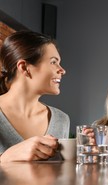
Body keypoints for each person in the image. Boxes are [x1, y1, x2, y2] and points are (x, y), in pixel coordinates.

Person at [0, 31, 69, 163]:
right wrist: (5, 158)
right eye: (53, 62)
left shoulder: (61, 119)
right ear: (24, 67)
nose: (62, 70)